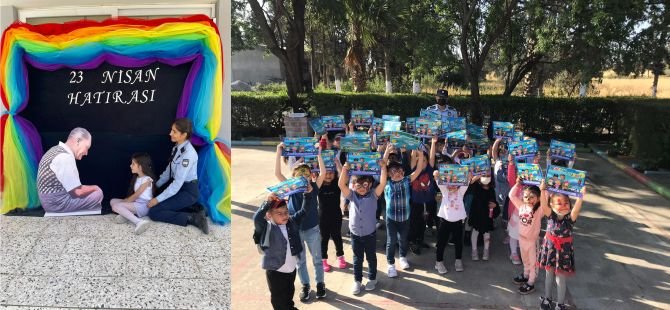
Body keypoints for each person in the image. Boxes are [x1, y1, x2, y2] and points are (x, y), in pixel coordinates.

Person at [275, 142, 327, 301]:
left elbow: (323, 172)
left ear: (311, 176)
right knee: (300, 261)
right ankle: (305, 285)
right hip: (295, 230)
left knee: (318, 259)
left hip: (312, 229)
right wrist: (278, 151)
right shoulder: (291, 189)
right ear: (293, 177)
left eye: (306, 173)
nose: (303, 176)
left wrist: (319, 152)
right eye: (299, 173)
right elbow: (277, 173)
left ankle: (320, 284)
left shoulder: (314, 187)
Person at [253, 186, 314, 310]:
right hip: (275, 272)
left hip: (291, 269)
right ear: (270, 215)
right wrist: (268, 202)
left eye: (286, 212)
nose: (284, 215)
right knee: (278, 301)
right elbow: (257, 219)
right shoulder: (268, 227)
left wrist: (307, 195)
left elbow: (303, 211)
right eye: (279, 213)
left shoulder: (292, 222)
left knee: (288, 294)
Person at [147, 118, 208, 234]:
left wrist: (156, 199)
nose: (170, 133)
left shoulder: (188, 155)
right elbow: (168, 172)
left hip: (187, 191)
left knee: (154, 212)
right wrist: (155, 187)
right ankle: (196, 208)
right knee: (158, 199)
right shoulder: (176, 148)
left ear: (184, 135)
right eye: (171, 130)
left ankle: (193, 218)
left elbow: (177, 184)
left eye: (174, 131)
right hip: (179, 188)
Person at [339, 159, 387, 294]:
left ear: (370, 184)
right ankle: (357, 280)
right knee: (357, 258)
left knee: (371, 257)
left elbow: (383, 183)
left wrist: (383, 168)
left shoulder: (374, 195)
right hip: (355, 234)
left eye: (364, 184)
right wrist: (345, 169)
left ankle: (372, 278)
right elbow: (341, 184)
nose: (361, 188)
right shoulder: (352, 195)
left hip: (370, 234)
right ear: (354, 185)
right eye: (357, 185)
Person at [538, 182, 586, 310]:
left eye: (566, 203)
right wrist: (542, 191)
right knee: (548, 275)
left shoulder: (570, 219)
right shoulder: (550, 216)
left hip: (563, 252)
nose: (564, 206)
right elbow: (543, 204)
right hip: (550, 249)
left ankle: (560, 304)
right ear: (552, 204)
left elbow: (576, 209)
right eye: (559, 203)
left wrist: (580, 196)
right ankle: (547, 298)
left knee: (560, 278)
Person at [36, 127, 103, 213]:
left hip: (48, 201)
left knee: (92, 192)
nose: (86, 153)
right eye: (86, 147)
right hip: (56, 204)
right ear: (78, 141)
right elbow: (78, 192)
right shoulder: (65, 157)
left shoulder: (55, 150)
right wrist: (96, 187)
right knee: (97, 194)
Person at [384, 145, 423, 277]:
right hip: (391, 218)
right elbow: (382, 167)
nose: (398, 173)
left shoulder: (407, 180)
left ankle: (402, 257)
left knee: (403, 239)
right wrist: (387, 152)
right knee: (391, 240)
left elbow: (418, 170)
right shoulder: (386, 183)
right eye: (394, 171)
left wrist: (421, 155)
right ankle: (390, 264)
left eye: (400, 170)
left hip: (405, 217)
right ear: (389, 173)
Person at [433, 167, 472, 274]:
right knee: (441, 242)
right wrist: (436, 174)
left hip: (458, 222)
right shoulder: (445, 191)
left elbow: (467, 181)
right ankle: (439, 261)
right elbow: (438, 179)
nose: (452, 186)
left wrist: (468, 176)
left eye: (455, 183)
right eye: (450, 183)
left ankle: (458, 260)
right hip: (444, 221)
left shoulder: (460, 192)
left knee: (458, 242)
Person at [509, 177, 543, 294]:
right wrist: (517, 184)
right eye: (525, 196)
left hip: (532, 242)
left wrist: (543, 190)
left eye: (532, 197)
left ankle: (531, 282)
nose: (528, 199)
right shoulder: (521, 206)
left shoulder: (539, 210)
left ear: (538, 199)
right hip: (522, 239)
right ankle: (525, 275)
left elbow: (545, 200)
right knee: (525, 260)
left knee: (533, 263)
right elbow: (511, 196)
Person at [111, 153, 156, 235]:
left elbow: (136, 195)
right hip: (136, 203)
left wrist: (124, 202)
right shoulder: (138, 177)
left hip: (144, 206)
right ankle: (127, 215)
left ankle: (139, 222)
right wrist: (125, 201)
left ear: (140, 167)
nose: (130, 166)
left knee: (115, 206)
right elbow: (135, 197)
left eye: (133, 164)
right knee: (113, 201)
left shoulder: (147, 180)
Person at [318, 148, 347, 272]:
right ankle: (323, 259)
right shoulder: (318, 185)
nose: (328, 175)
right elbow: (321, 173)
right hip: (322, 216)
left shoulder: (337, 184)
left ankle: (340, 256)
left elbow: (343, 177)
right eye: (326, 173)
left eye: (331, 173)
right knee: (323, 238)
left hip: (336, 215)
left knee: (337, 236)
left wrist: (337, 163)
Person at [408, 138, 439, 255]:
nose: (423, 163)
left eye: (424, 161)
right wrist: (415, 148)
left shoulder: (430, 170)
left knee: (423, 223)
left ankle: (420, 240)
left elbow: (432, 158)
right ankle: (412, 242)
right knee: (414, 222)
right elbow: (413, 157)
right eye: (421, 161)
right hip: (416, 202)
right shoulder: (414, 171)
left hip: (428, 201)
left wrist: (433, 142)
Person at [467, 174, 500, 261]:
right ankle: (474, 250)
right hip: (476, 213)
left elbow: (494, 201)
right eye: (483, 176)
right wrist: (477, 176)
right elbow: (470, 183)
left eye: (487, 175)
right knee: (475, 230)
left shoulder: (491, 189)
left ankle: (486, 250)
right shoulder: (476, 187)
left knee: (486, 232)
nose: (485, 177)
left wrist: (495, 205)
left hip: (487, 215)